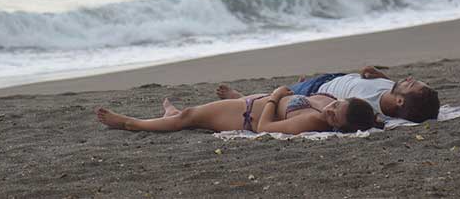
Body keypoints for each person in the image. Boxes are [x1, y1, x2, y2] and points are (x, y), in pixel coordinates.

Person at [96, 86, 384, 134]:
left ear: (337, 127)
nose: (330, 110)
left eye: (334, 117)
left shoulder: (311, 122)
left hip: (245, 115)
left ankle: (131, 123)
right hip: (250, 101)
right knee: (189, 116)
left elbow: (264, 128)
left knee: (188, 116)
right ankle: (169, 116)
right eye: (336, 105)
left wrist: (274, 97)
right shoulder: (330, 105)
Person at [217, 66, 440, 123]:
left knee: (272, 98)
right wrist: (380, 76)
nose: (409, 78)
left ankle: (240, 98)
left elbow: (343, 112)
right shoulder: (394, 90)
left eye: (411, 84)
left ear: (399, 101)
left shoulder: (365, 106)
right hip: (338, 77)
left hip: (317, 91)